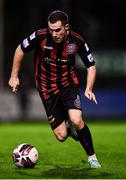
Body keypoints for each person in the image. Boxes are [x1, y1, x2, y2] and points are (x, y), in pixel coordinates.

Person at [8, 10, 101, 168]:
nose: (54, 33)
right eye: (51, 30)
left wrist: (89, 88)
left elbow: (91, 66)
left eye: (57, 30)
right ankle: (69, 128)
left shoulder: (76, 40)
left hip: (68, 85)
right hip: (46, 89)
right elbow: (20, 49)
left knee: (77, 119)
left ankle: (92, 157)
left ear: (66, 27)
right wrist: (14, 76)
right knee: (61, 136)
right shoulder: (40, 36)